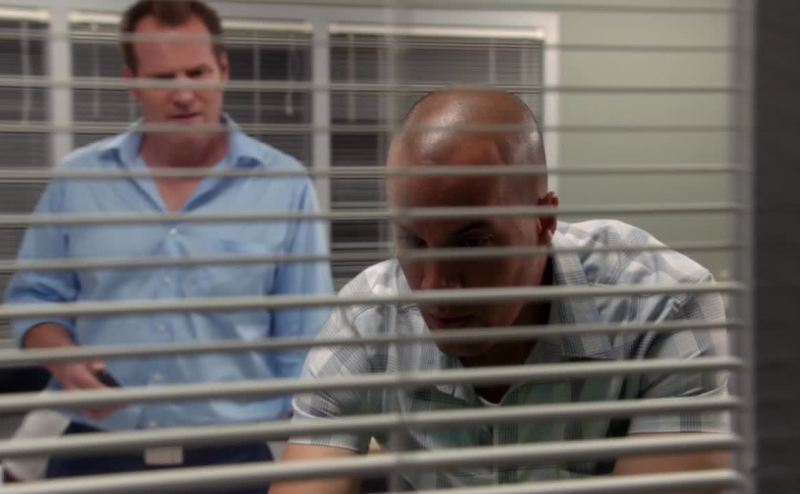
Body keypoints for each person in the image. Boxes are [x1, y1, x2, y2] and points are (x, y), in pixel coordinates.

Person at [271, 87, 731, 493]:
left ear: (543, 222)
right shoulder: (367, 323)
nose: (434, 286)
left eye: (472, 242)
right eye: (413, 240)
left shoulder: (663, 306)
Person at [3, 1, 332, 490]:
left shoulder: (284, 185)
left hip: (233, 464)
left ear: (223, 70)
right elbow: (35, 300)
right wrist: (65, 359)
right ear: (132, 82)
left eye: (197, 72)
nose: (183, 94)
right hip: (95, 456)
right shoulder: (80, 180)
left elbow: (305, 342)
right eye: (162, 78)